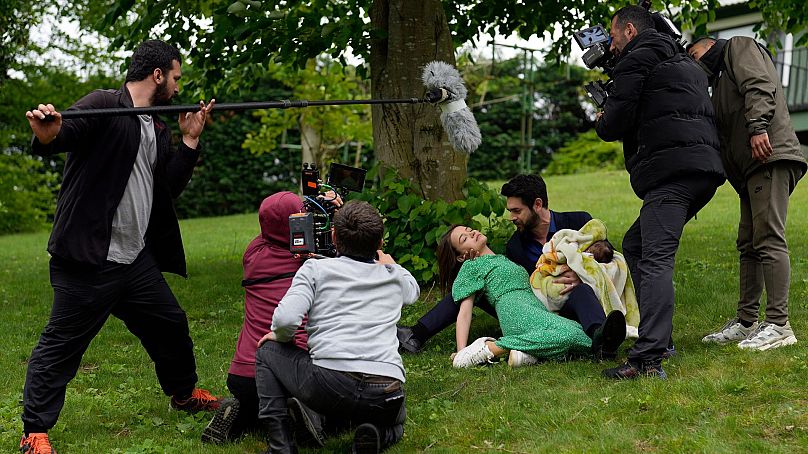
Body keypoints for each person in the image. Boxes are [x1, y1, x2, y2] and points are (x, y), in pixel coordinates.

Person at [21, 40, 218, 454]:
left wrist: (189, 141)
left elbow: (166, 188)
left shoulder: (155, 125)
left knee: (171, 325)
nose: (179, 88)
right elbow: (63, 130)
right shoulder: (106, 104)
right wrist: (48, 131)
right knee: (61, 346)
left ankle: (183, 394)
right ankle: (34, 431)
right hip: (87, 262)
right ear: (158, 75)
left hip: (134, 262)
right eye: (176, 78)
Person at [595, 6, 725, 379]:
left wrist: (603, 112)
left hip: (672, 173)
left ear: (630, 31)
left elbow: (615, 122)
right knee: (636, 244)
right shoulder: (678, 58)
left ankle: (649, 359)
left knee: (655, 260)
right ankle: (659, 340)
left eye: (613, 35)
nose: (610, 44)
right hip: (701, 171)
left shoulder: (637, 60)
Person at [254, 200, 419, 454]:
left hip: (328, 383)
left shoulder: (316, 268)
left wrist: (280, 336)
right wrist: (391, 264)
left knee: (266, 351)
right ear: (380, 244)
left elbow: (286, 320)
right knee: (396, 423)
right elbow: (413, 292)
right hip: (386, 388)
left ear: (333, 236)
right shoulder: (393, 275)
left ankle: (281, 446)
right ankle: (377, 433)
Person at [398, 174, 622, 359]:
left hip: (576, 300)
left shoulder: (577, 221)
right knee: (472, 286)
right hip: (536, 304)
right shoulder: (515, 245)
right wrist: (473, 263)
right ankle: (417, 334)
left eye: (516, 211)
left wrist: (579, 272)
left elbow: (607, 253)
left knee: (581, 291)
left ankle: (601, 338)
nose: (511, 217)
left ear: (537, 204)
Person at [687, 36, 806, 350]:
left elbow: (759, 84)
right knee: (749, 243)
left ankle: (779, 324)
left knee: (768, 238)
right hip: (750, 169)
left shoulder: (738, 46)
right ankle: (746, 322)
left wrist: (757, 126)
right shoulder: (719, 82)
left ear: (711, 45)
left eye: (694, 53)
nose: (694, 61)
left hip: (768, 154)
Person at [201, 191, 324, 445]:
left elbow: (272, 229)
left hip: (242, 375)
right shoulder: (312, 267)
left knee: (258, 403)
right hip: (290, 374)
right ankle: (305, 415)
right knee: (337, 403)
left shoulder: (252, 254)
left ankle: (241, 415)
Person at [439, 225, 625, 368]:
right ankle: (492, 348)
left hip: (533, 306)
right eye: (465, 238)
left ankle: (526, 353)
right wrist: (461, 351)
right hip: (513, 308)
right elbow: (464, 311)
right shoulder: (471, 266)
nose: (472, 233)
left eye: (470, 230)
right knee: (568, 335)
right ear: (461, 257)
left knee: (580, 333)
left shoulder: (503, 259)